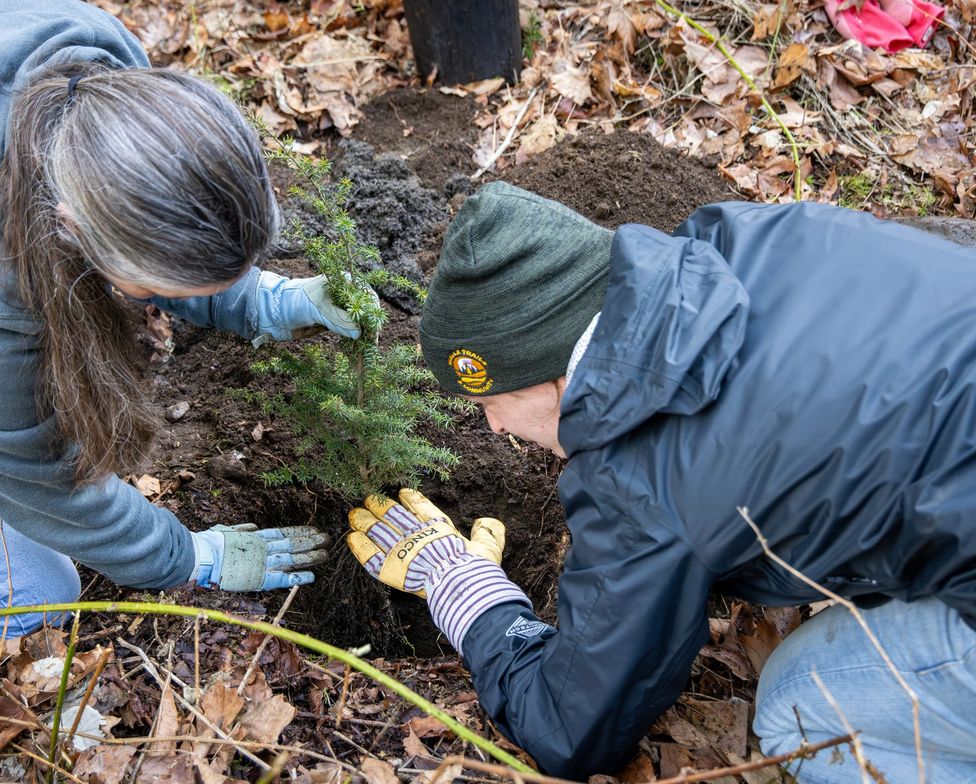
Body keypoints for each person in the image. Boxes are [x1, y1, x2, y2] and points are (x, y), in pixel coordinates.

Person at [347, 182, 976, 783]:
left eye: (493, 402)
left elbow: (569, 731)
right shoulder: (746, 236)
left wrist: (463, 587)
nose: (492, 428)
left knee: (800, 702)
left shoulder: (646, 483)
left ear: (554, 380)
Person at [0, 0, 348, 645]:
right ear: (74, 229)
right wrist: (187, 558)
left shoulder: (91, 64)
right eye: (156, 287)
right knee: (26, 599)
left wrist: (265, 301)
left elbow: (146, 227)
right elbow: (44, 487)